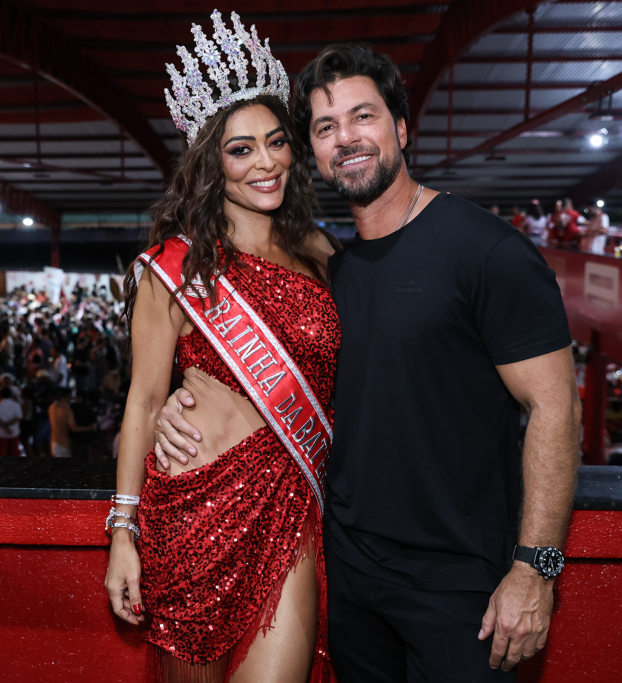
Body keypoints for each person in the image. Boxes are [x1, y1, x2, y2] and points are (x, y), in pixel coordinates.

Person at [156, 42, 581, 682]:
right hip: (349, 577)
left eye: (364, 117)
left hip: (460, 586)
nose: (346, 138)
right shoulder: (333, 269)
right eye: (326, 127)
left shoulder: (487, 251)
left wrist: (536, 567)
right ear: (314, 150)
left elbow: (555, 407)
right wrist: (187, 395)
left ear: (401, 128)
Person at [104, 12, 338, 682]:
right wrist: (124, 534)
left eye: (275, 142)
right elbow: (145, 400)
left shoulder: (320, 255)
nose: (266, 162)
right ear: (212, 162)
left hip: (291, 506)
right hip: (192, 510)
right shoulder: (172, 269)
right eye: (241, 150)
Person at [48, 390, 96, 458]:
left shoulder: (51, 407)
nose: (70, 400)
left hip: (54, 443)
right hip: (64, 445)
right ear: (63, 398)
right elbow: (74, 428)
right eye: (69, 398)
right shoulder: (67, 410)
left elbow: (56, 403)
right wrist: (89, 428)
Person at [0, 386, 23, 457]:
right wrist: (9, 427)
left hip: (1, 433)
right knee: (15, 453)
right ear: (11, 394)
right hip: (13, 432)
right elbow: (18, 417)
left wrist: (6, 428)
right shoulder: (16, 405)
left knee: (2, 453)